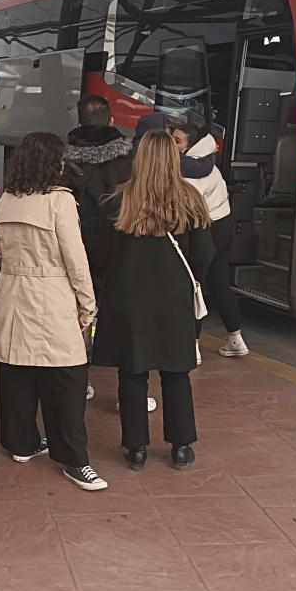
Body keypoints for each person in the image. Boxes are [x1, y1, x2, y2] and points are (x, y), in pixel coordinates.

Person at [0, 131, 106, 491]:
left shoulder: (6, 199)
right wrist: (89, 304)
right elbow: (75, 259)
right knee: (67, 379)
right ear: (57, 163)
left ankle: (21, 443)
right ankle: (74, 461)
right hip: (52, 294)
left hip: (11, 290)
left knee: (17, 370)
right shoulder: (60, 201)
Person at [93, 129, 214, 471]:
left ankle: (137, 449)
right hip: (174, 300)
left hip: (127, 300)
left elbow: (100, 255)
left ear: (140, 159)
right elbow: (205, 254)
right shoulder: (191, 200)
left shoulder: (118, 200)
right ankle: (180, 446)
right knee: (177, 374)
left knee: (132, 374)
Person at [63, 94, 156, 411]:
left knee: (78, 317)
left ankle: (80, 383)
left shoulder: (63, 159)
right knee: (127, 319)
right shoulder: (131, 157)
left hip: (77, 249)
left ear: (78, 123)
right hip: (121, 247)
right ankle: (129, 393)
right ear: (112, 121)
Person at [174, 123, 248, 357]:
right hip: (223, 224)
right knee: (219, 282)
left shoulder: (188, 171)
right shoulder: (208, 164)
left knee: (193, 285)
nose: (173, 145)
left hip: (202, 229)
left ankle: (192, 345)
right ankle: (235, 339)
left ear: (191, 146)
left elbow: (187, 209)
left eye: (177, 141)